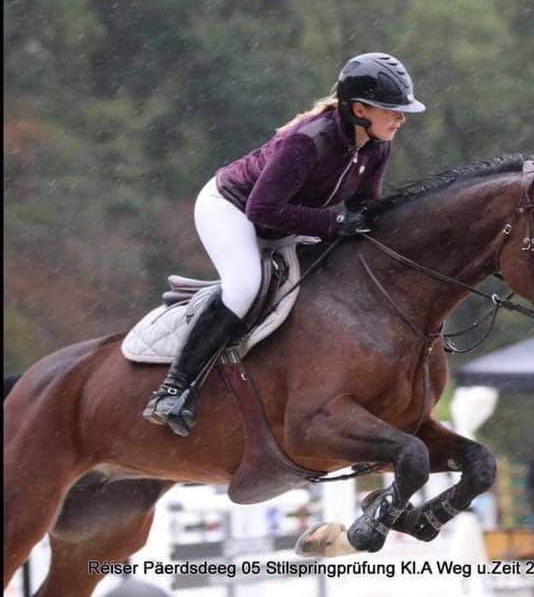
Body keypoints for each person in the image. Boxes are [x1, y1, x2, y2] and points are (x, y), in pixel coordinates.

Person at [141, 52, 426, 437]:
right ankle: (174, 388)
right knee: (245, 286)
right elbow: (262, 209)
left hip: (287, 217)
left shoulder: (377, 145)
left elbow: (364, 206)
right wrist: (334, 222)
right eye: (392, 109)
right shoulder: (308, 142)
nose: (401, 117)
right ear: (359, 108)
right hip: (232, 209)